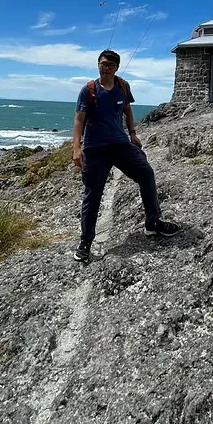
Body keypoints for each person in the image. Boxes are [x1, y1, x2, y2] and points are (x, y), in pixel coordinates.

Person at [72, 49, 179, 263]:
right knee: (93, 195)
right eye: (103, 64)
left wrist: (133, 133)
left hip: (121, 145)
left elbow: (127, 110)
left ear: (117, 68)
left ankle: (153, 223)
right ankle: (86, 241)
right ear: (98, 65)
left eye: (110, 65)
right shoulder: (89, 90)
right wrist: (77, 148)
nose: (106, 68)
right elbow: (79, 121)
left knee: (146, 173)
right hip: (95, 149)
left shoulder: (122, 86)